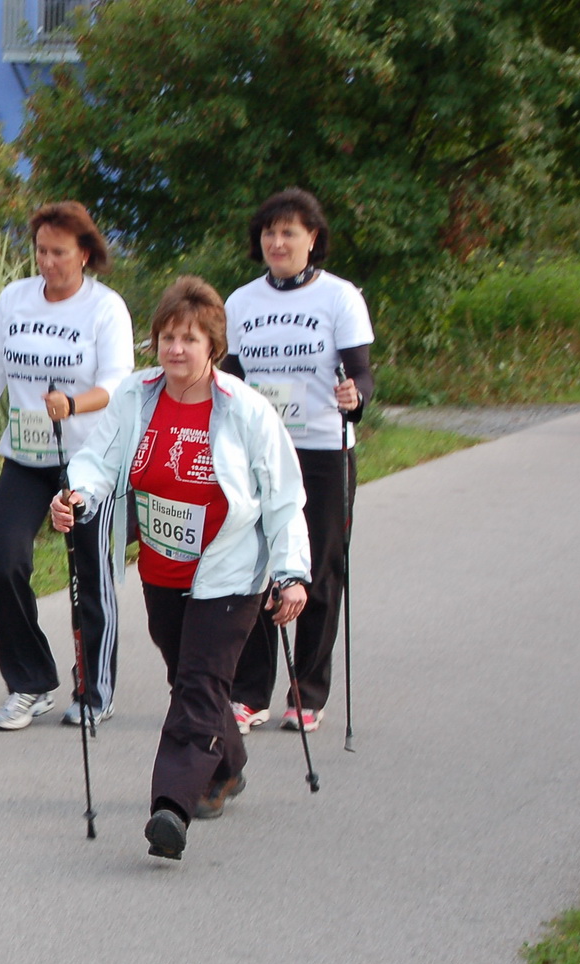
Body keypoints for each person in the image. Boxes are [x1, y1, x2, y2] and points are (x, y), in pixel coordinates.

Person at [50, 276, 310, 859]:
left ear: (212, 345)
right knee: (188, 675)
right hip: (163, 568)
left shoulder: (245, 411)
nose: (175, 349)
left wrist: (291, 573)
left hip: (230, 569)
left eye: (189, 339)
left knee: (198, 682)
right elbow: (99, 458)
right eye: (167, 337)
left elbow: (284, 497)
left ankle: (171, 805)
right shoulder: (137, 396)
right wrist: (75, 496)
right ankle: (228, 763)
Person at [0, 202, 134, 731]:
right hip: (28, 455)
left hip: (88, 461)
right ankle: (29, 683)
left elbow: (119, 383)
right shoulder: (16, 298)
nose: (47, 262)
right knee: (6, 562)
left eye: (59, 252)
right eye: (40, 251)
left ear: (85, 254)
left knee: (89, 578)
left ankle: (95, 689)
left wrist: (74, 405)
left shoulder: (106, 308)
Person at [222, 187, 374, 736]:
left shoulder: (339, 298)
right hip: (260, 454)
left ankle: (308, 689)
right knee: (255, 567)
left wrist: (355, 397)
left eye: (289, 232)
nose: (277, 242)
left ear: (313, 238)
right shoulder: (240, 303)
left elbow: (362, 373)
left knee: (318, 569)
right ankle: (248, 691)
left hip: (322, 450)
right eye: (269, 232)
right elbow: (230, 380)